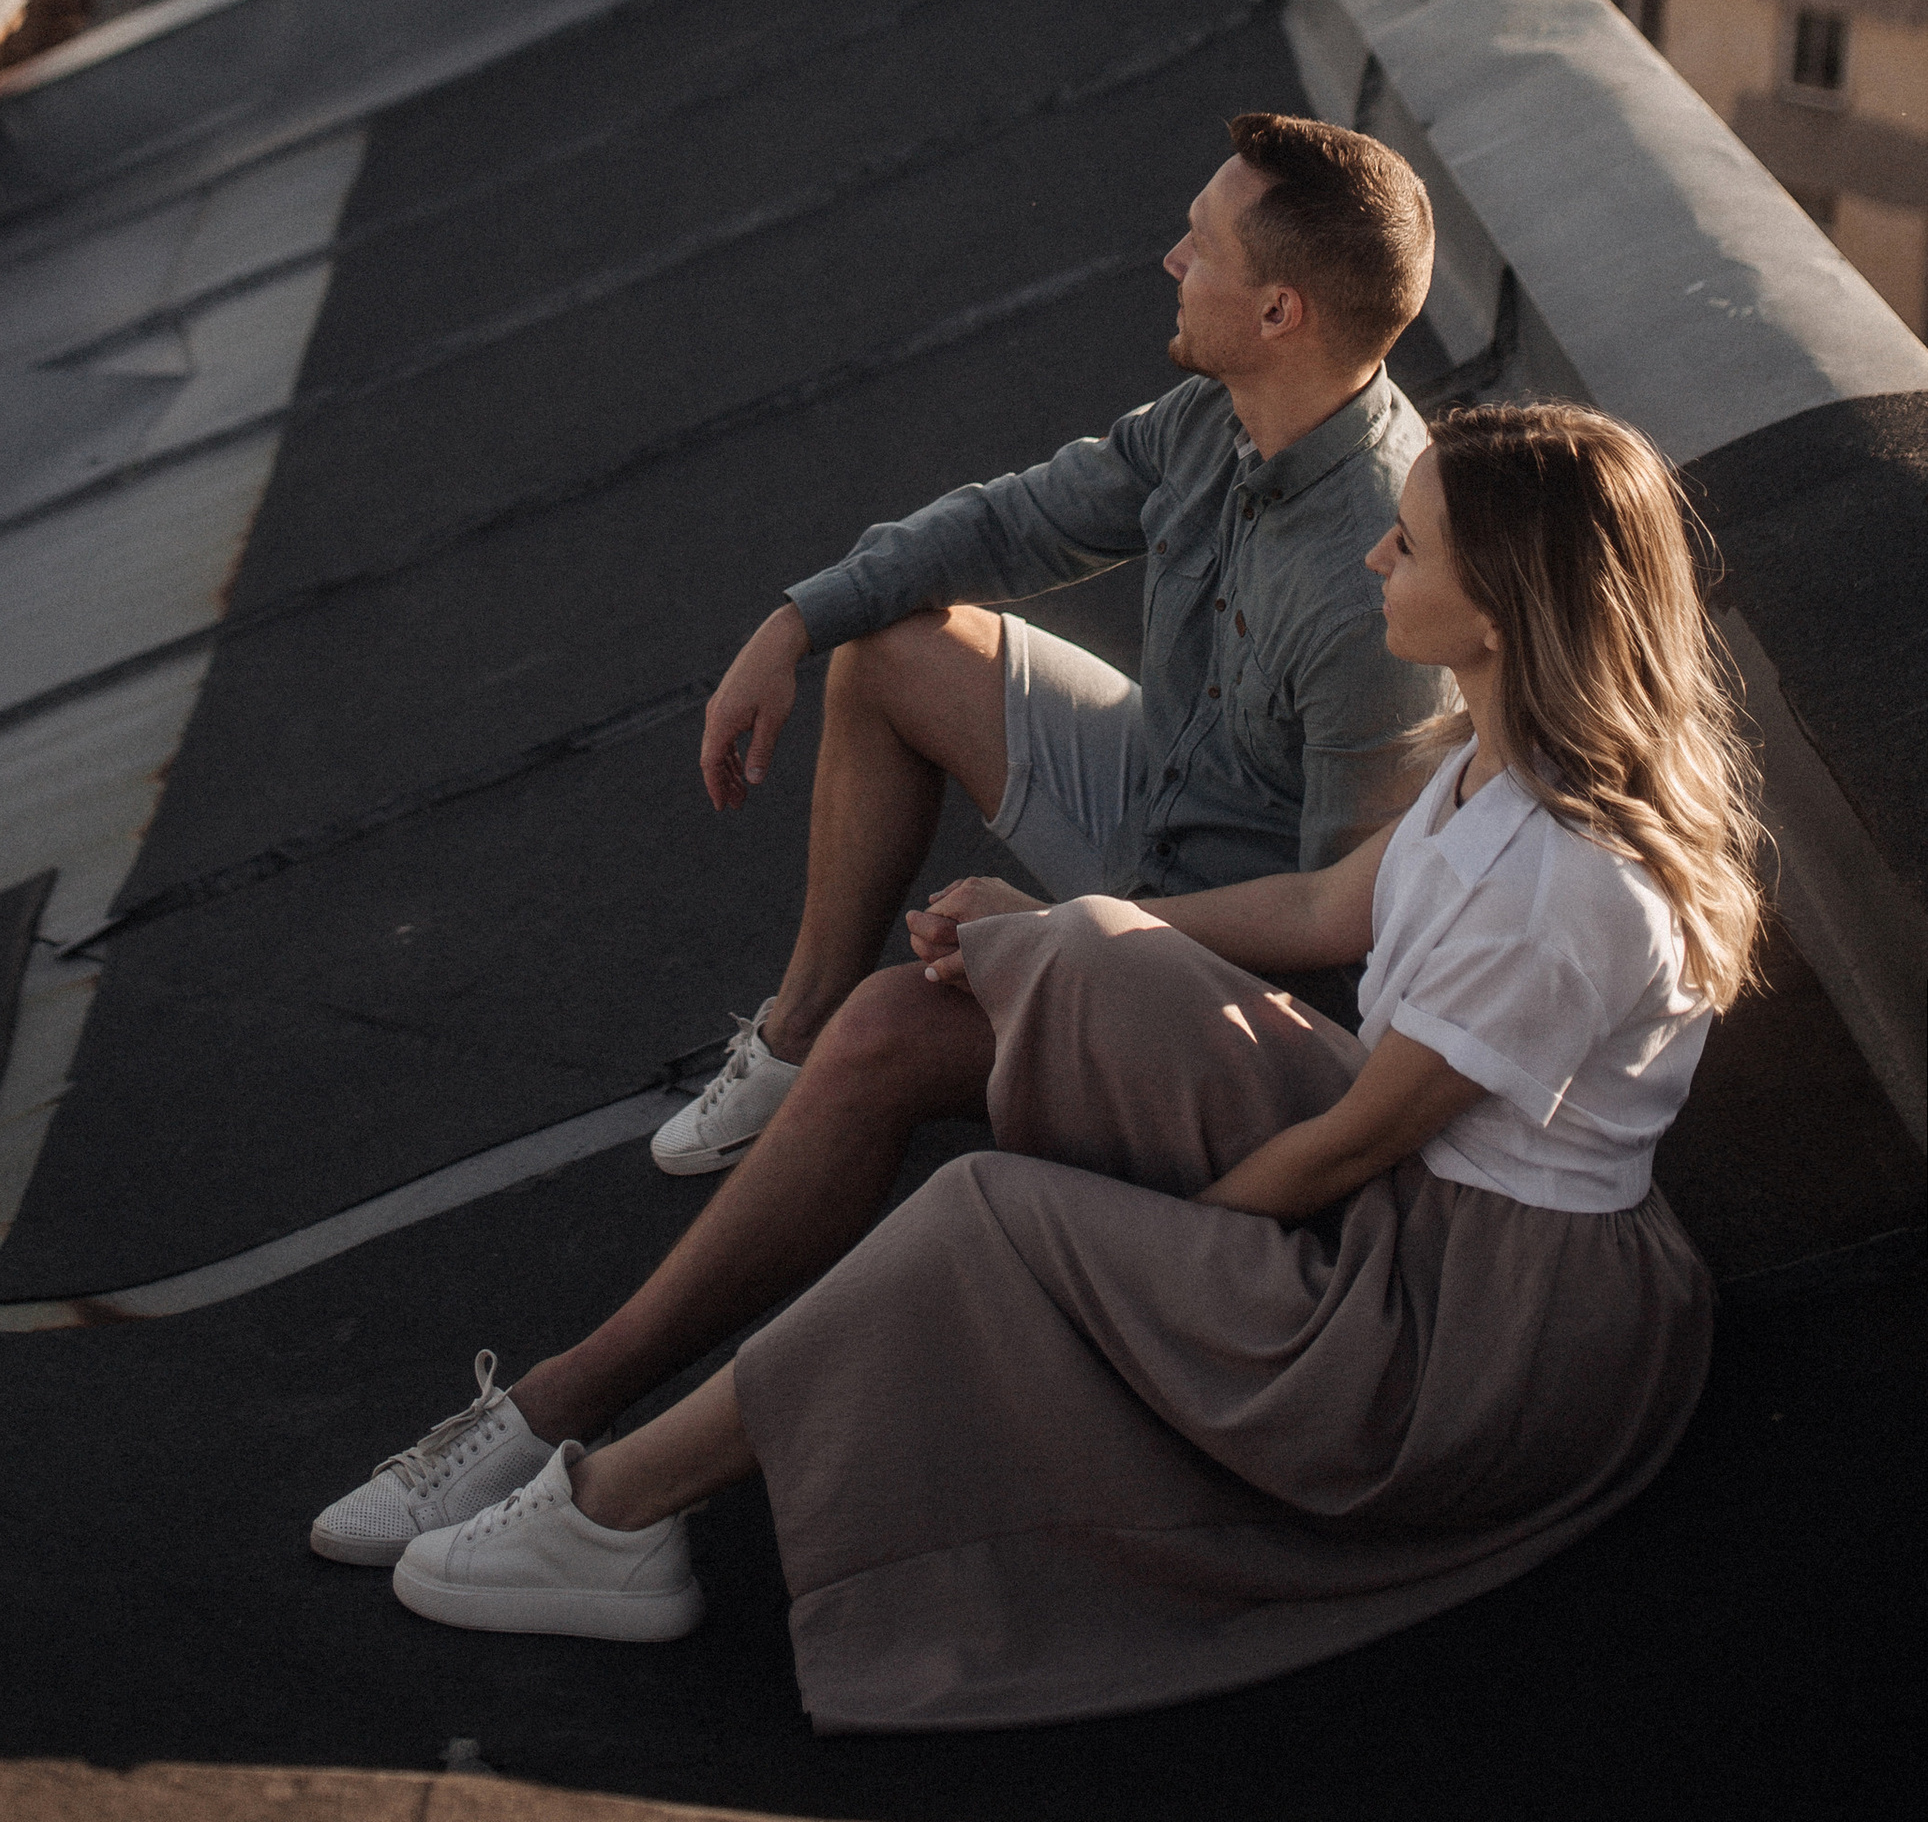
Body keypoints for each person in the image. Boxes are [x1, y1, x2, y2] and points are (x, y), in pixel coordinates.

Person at [316, 405, 1761, 1733]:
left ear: (1503, 611)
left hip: (1477, 1336)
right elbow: (1326, 912)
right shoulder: (1490, 758)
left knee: (992, 1219)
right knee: (1074, 964)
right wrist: (1066, 931)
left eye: (1417, 538)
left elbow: (1341, 1155)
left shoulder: (1564, 887)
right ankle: (561, 1402)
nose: (1382, 545)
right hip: (1426, 1201)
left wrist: (1136, 1262)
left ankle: (619, 1516)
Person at [649, 108, 1446, 1179]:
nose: (1171, 258)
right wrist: (793, 621)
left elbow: (1336, 940)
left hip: (1240, 961)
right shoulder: (1221, 410)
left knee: (892, 1028)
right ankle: (794, 1038)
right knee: (882, 651)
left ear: (1277, 308)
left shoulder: (1371, 585)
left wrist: (1071, 934)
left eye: (1201, 244)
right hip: (1162, 797)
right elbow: (1012, 522)